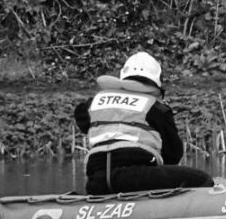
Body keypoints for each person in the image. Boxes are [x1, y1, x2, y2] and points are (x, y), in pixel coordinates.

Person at [74, 51, 214, 194]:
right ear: (156, 81)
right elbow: (173, 154)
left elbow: (82, 119)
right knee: (201, 179)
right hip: (136, 178)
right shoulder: (155, 108)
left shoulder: (94, 102)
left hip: (96, 181)